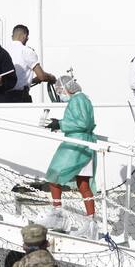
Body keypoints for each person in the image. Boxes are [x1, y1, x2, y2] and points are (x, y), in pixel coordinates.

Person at [37, 76, 98, 240]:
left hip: (76, 144)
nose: (59, 93)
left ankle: (58, 215)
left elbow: (83, 123)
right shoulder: (83, 99)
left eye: (60, 90)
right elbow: (80, 121)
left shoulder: (76, 101)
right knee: (83, 183)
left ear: (67, 88)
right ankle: (91, 222)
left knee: (54, 174)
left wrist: (61, 124)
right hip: (85, 142)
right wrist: (58, 124)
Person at [5, 24, 56, 102]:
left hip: (4, 97)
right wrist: (51, 77)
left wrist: (33, 80)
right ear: (24, 36)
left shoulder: (3, 51)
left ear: (13, 36)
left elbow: (17, 78)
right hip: (20, 97)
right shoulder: (26, 51)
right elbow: (42, 76)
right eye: (27, 37)